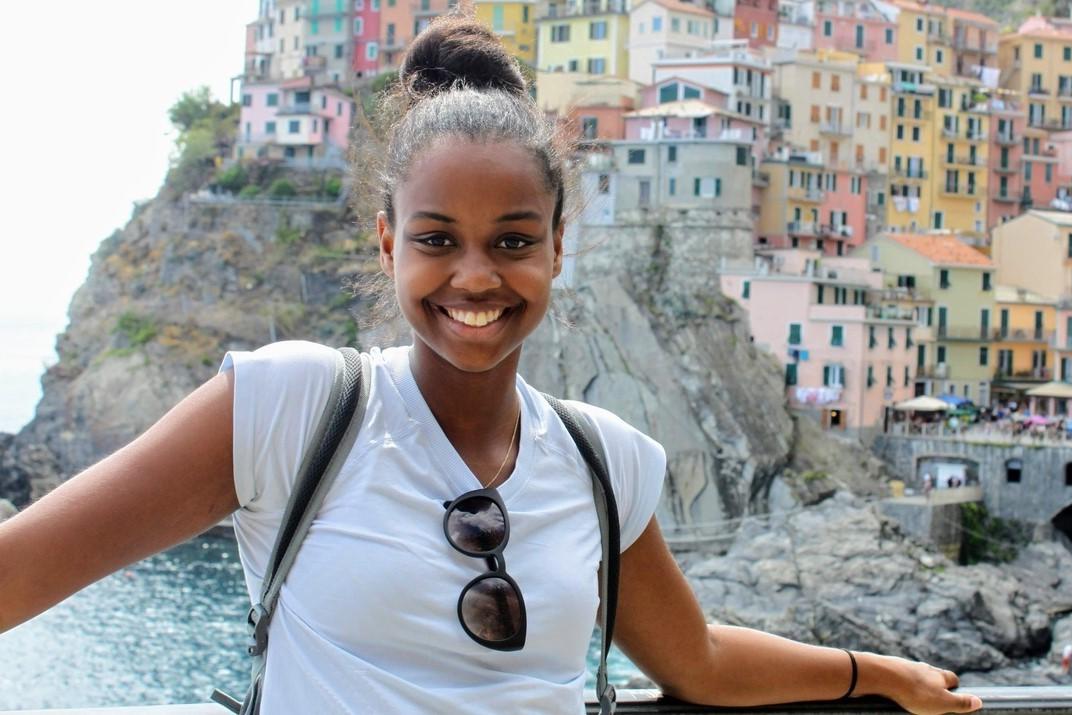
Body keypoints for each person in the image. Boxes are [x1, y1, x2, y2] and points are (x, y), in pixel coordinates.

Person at [0, 16, 982, 715]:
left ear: (559, 244)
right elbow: (18, 573)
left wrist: (877, 674)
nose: (475, 277)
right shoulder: (291, 405)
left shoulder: (606, 462)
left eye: (512, 241)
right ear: (386, 242)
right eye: (438, 239)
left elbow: (700, 661)